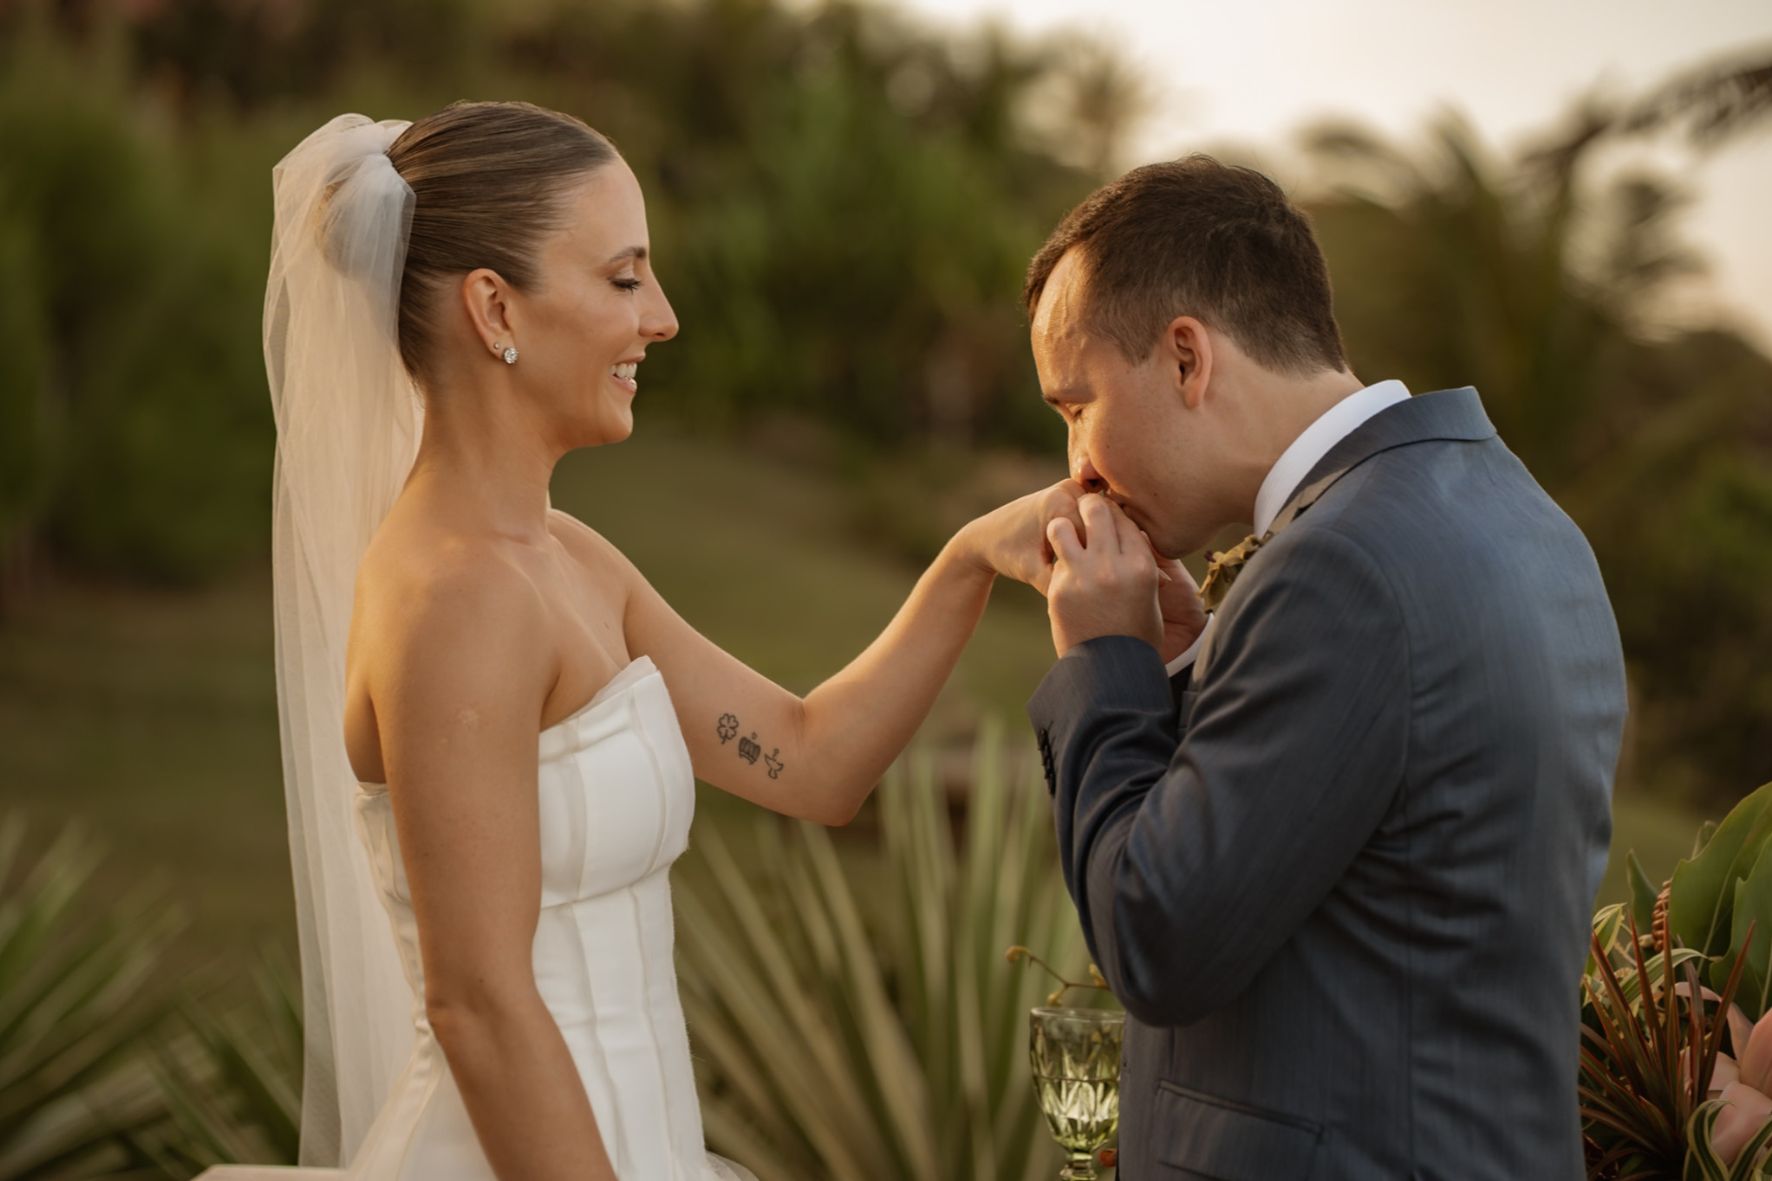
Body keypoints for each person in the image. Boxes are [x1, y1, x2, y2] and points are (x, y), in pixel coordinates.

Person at [265, 101, 1069, 1181]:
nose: (664, 318)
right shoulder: (455, 599)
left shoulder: (570, 560)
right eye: (623, 278)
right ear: (494, 307)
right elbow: (480, 1005)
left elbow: (812, 760)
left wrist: (969, 560)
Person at [1021, 156, 1628, 1179]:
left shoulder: (1337, 566)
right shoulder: (1532, 524)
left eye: (1075, 405)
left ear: (1185, 359)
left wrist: (1105, 660)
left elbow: (1157, 939)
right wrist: (1180, 664)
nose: (1076, 464)